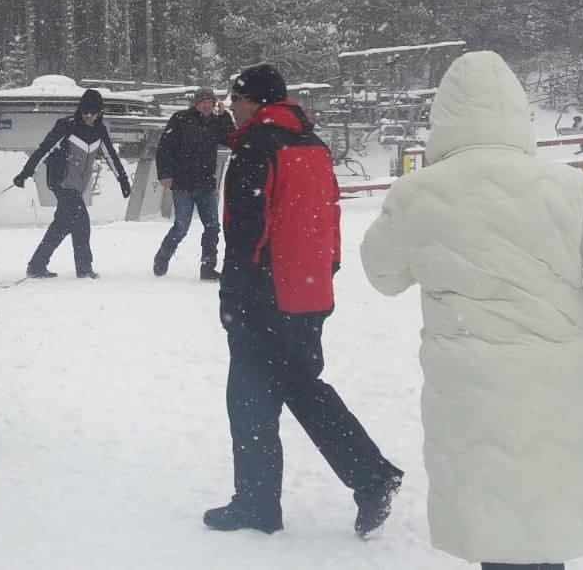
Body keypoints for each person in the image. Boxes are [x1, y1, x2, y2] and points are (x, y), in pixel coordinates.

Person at [360, 51, 583, 569]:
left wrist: (410, 208)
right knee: (546, 545)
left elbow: (381, 274)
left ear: (443, 118)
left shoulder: (417, 196)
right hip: (564, 404)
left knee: (502, 548)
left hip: (474, 410)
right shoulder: (570, 191)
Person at [206, 62, 403, 537]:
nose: (232, 106)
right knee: (299, 386)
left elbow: (246, 230)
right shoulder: (312, 145)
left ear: (258, 101)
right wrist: (323, 273)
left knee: (250, 400)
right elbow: (329, 217)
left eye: (237, 97)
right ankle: (371, 475)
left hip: (264, 294)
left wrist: (233, 294)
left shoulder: (257, 145)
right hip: (308, 293)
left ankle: (256, 504)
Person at [15, 89, 130, 279]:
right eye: (84, 111)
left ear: (99, 112)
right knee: (82, 222)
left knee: (62, 224)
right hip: (61, 181)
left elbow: (111, 156)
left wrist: (123, 180)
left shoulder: (99, 131)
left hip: (77, 185)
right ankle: (84, 268)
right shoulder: (67, 126)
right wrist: (26, 173)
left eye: (92, 112)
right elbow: (44, 149)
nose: (88, 116)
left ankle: (37, 265)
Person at [152, 87, 234, 280]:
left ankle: (208, 266)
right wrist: (165, 173)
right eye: (202, 101)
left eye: (210, 102)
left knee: (212, 226)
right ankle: (162, 256)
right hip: (183, 182)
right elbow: (164, 147)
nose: (206, 105)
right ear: (195, 103)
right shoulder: (181, 119)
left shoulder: (216, 122)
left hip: (206, 183)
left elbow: (232, 140)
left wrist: (225, 118)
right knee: (181, 226)